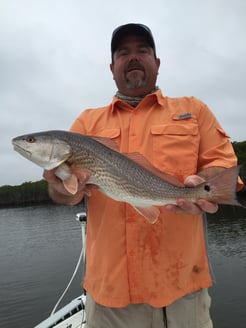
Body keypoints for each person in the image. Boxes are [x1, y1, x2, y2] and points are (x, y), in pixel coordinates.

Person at [44, 23, 243, 328]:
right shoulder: (86, 123)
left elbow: (223, 166)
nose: (133, 57)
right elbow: (67, 195)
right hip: (110, 299)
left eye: (143, 51)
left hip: (183, 293)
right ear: (112, 68)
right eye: (124, 52)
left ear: (157, 63)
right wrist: (62, 187)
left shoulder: (194, 110)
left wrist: (201, 187)